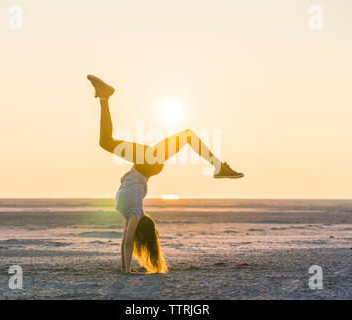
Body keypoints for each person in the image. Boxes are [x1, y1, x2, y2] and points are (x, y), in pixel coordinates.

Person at [87, 75, 244, 274]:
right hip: (147, 164)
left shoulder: (130, 215)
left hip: (146, 164)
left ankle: (104, 98)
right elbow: (127, 244)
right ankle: (219, 167)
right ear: (139, 229)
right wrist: (125, 271)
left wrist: (124, 269)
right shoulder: (135, 212)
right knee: (185, 135)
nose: (130, 233)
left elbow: (125, 243)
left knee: (105, 142)